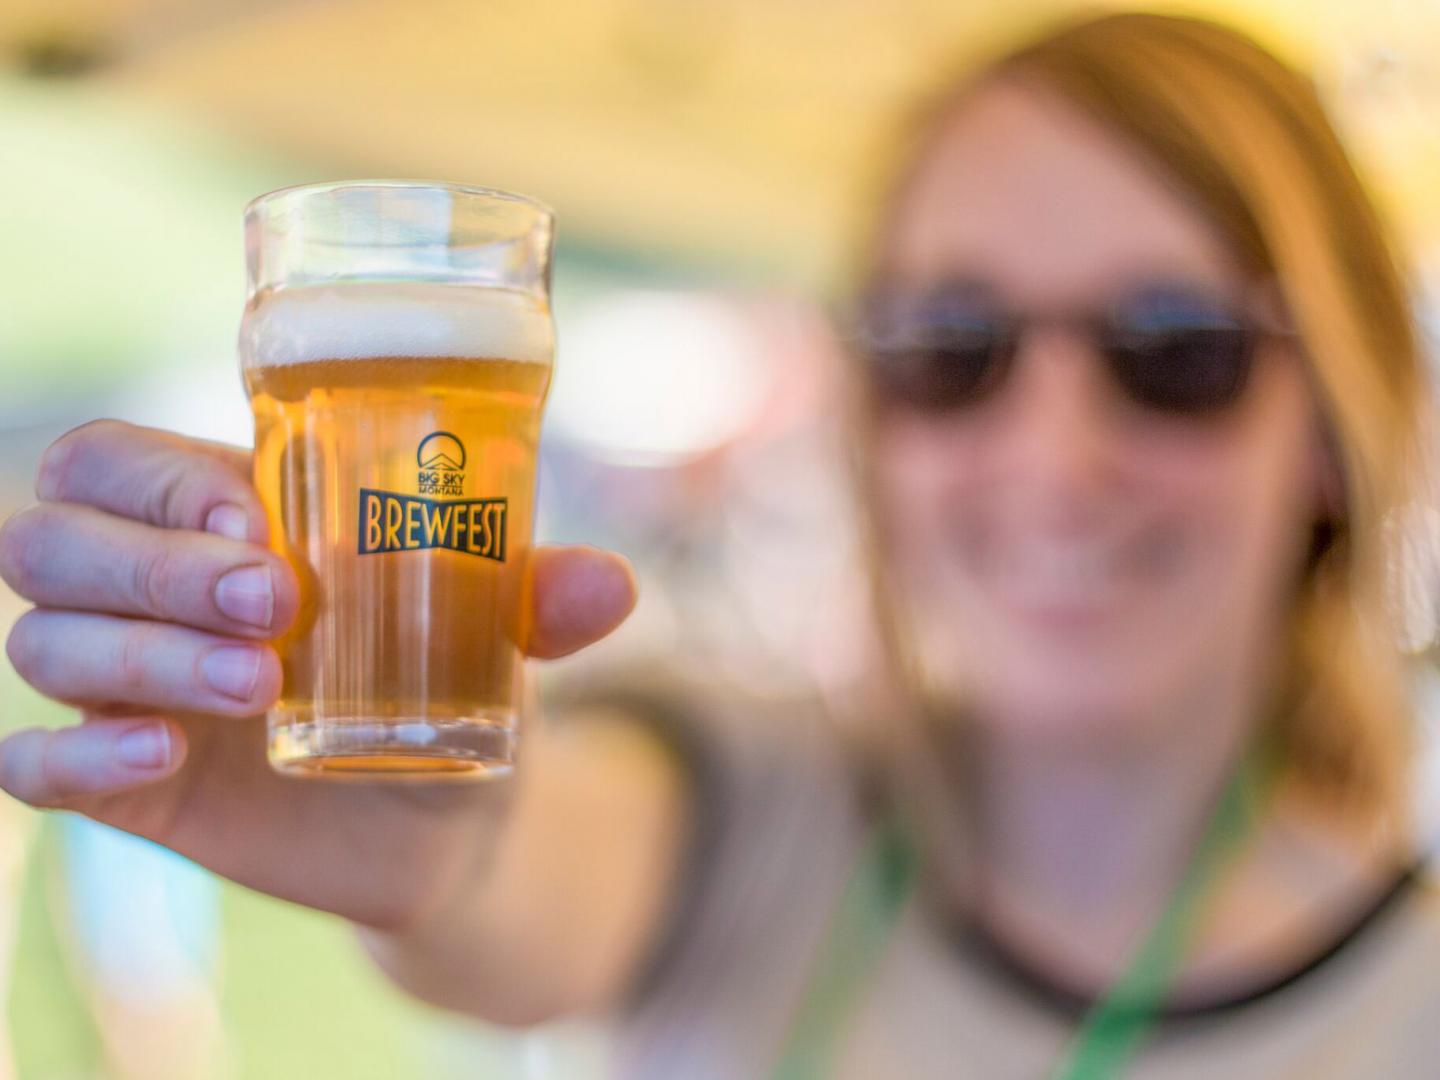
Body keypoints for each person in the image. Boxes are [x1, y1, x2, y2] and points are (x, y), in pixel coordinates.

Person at [1, 10, 1437, 1078]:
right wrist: (432, 844)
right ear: (870, 408)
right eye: (954, 345)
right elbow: (539, 873)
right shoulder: (753, 806)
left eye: (1170, 346)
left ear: (1332, 415)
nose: (1053, 455)